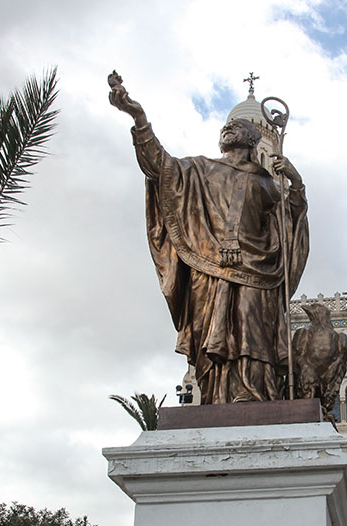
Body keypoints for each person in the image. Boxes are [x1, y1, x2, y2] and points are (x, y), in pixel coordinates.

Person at [108, 72, 309, 403]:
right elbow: (158, 165)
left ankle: (253, 396)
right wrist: (139, 118)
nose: (228, 131)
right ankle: (214, 399)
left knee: (251, 333)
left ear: (253, 139)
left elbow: (289, 225)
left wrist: (296, 184)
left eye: (236, 128)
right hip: (207, 268)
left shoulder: (267, 185)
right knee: (208, 339)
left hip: (254, 271)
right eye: (226, 128)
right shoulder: (198, 170)